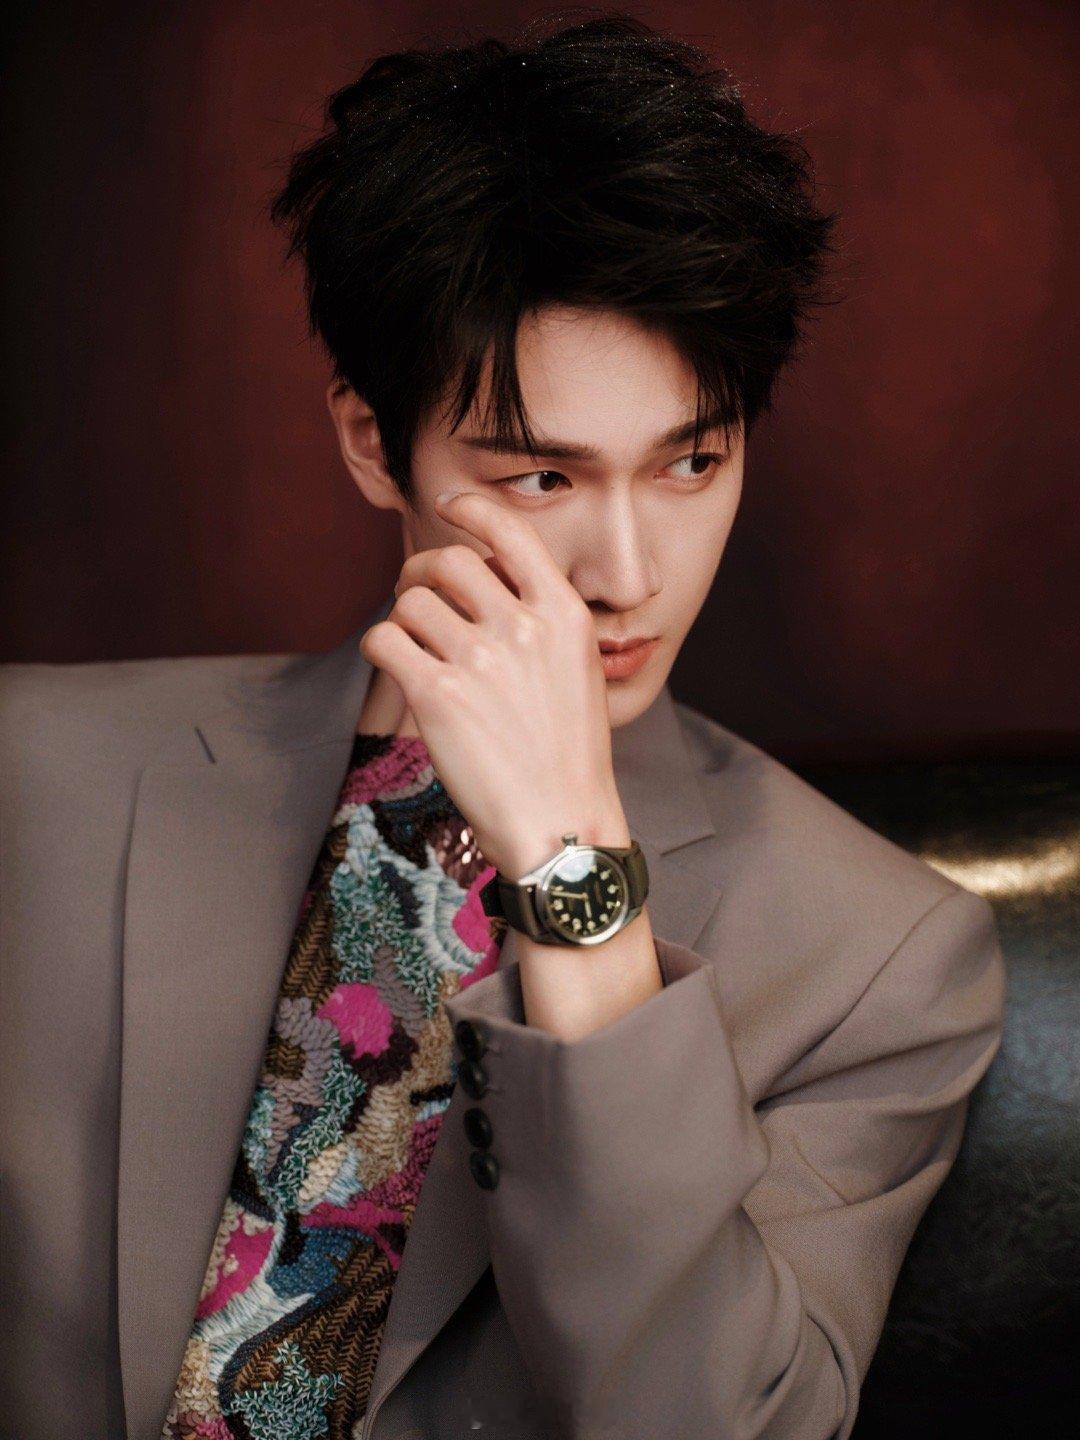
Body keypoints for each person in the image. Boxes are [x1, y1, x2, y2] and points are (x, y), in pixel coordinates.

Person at [0, 13, 1006, 1440]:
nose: (628, 572)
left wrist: (578, 882)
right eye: (542, 478)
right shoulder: (36, 777)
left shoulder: (879, 958)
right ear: (372, 442)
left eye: (693, 462)